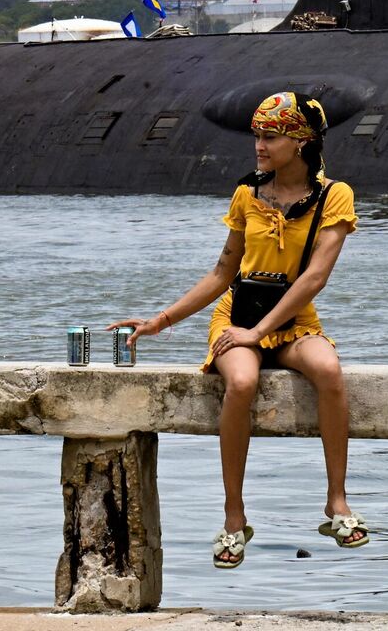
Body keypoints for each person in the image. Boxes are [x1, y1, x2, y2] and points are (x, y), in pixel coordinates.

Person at [109, 91, 362, 569]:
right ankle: (233, 516)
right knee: (241, 382)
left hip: (291, 319)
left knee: (328, 371)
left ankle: (337, 502)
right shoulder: (248, 193)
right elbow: (223, 272)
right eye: (257, 137)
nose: (259, 146)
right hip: (238, 315)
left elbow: (314, 278)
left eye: (271, 137)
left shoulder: (335, 196)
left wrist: (262, 332)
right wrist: (160, 321)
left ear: (302, 141)